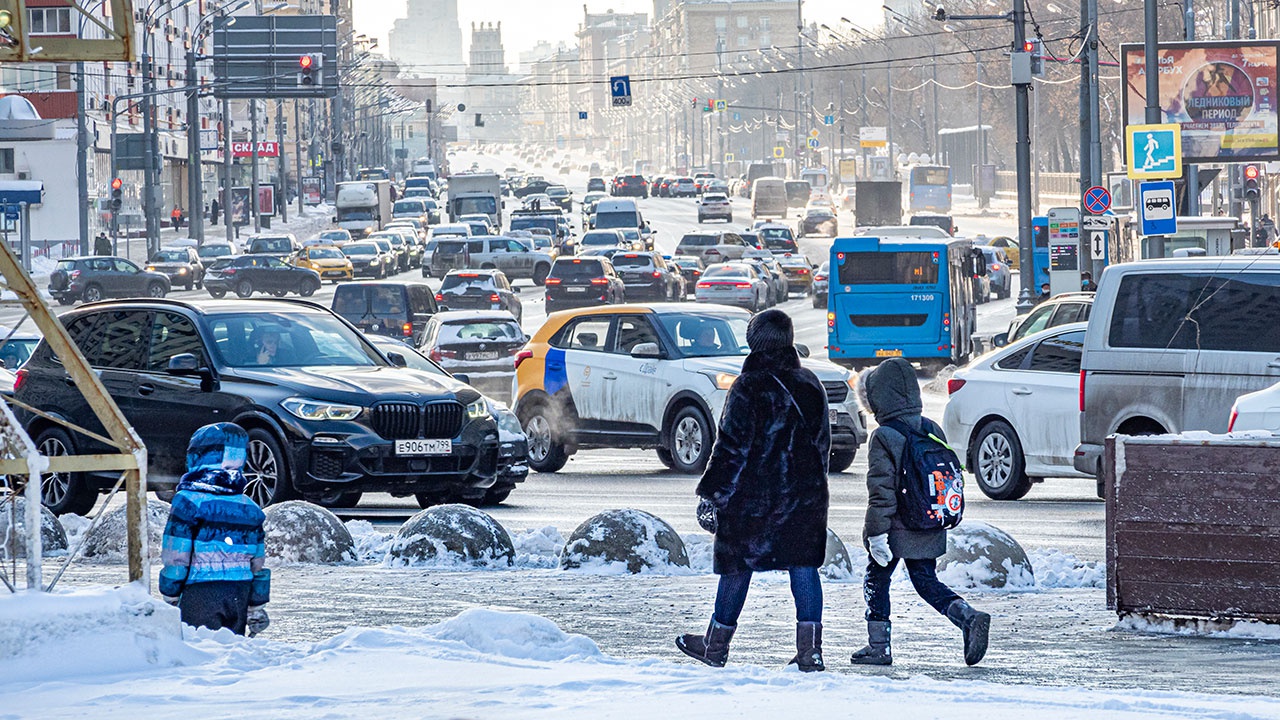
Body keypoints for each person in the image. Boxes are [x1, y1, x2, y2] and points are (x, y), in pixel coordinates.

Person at [676, 309, 831, 672]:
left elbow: (731, 448)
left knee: (736, 565)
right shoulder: (811, 383)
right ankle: (811, 652)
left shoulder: (748, 386)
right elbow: (822, 444)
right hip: (804, 496)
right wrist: (809, 485)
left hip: (752, 499)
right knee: (803, 566)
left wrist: (712, 495)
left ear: (755, 342)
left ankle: (715, 646)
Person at [851, 358, 990, 667]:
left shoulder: (885, 435)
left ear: (878, 398)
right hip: (930, 519)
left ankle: (878, 647)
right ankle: (967, 616)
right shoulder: (930, 427)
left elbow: (882, 491)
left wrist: (875, 533)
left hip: (898, 526)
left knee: (876, 578)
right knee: (925, 579)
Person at [159, 423, 271, 636]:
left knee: (200, 650)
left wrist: (170, 591)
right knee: (230, 651)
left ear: (197, 457)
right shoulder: (249, 507)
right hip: (240, 590)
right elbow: (258, 562)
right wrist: (256, 605)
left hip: (201, 591)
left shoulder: (188, 501)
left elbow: (176, 554)